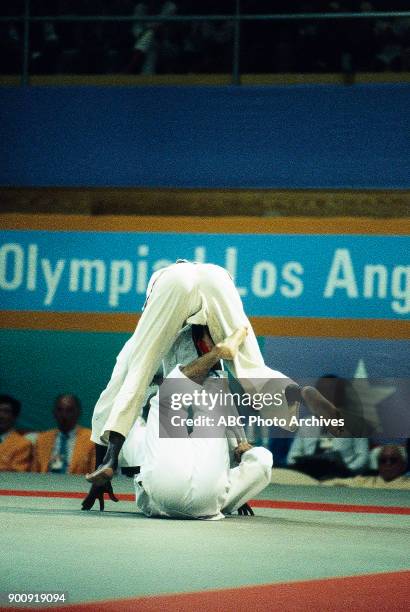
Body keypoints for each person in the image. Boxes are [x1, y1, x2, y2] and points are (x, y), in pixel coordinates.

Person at [86, 260, 349, 491]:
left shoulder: (140, 342)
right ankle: (302, 392)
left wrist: (105, 460)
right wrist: (239, 445)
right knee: (251, 368)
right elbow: (221, 391)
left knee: (137, 372)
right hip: (218, 279)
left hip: (171, 283)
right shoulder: (201, 340)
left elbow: (113, 395)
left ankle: (111, 458)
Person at [132, 324, 273, 519]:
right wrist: (240, 479)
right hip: (209, 500)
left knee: (171, 397)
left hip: (167, 490)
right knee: (262, 457)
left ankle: (215, 354)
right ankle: (215, 356)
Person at [32, 394, 95, 475]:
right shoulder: (42, 439)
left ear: (78, 413)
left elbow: (95, 473)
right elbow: (33, 472)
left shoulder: (91, 440)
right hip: (45, 484)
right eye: (60, 410)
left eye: (69, 410)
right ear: (54, 413)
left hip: (77, 485)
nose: (64, 415)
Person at [322, 444, 409, 490]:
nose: (388, 464)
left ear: (403, 465)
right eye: (383, 460)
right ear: (378, 465)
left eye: (393, 460)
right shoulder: (364, 481)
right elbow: (327, 483)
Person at [0, 394, 32, 472]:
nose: (1, 415)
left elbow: (16, 475)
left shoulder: (23, 444)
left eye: (6, 411)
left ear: (14, 416)